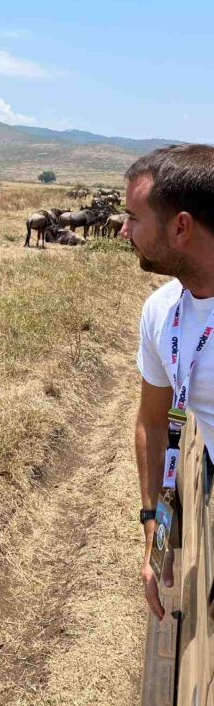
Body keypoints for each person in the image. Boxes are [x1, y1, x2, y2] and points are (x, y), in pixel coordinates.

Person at [121, 144, 214, 620]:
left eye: (133, 217)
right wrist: (153, 532)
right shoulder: (162, 311)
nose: (122, 230)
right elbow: (153, 423)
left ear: (180, 226)